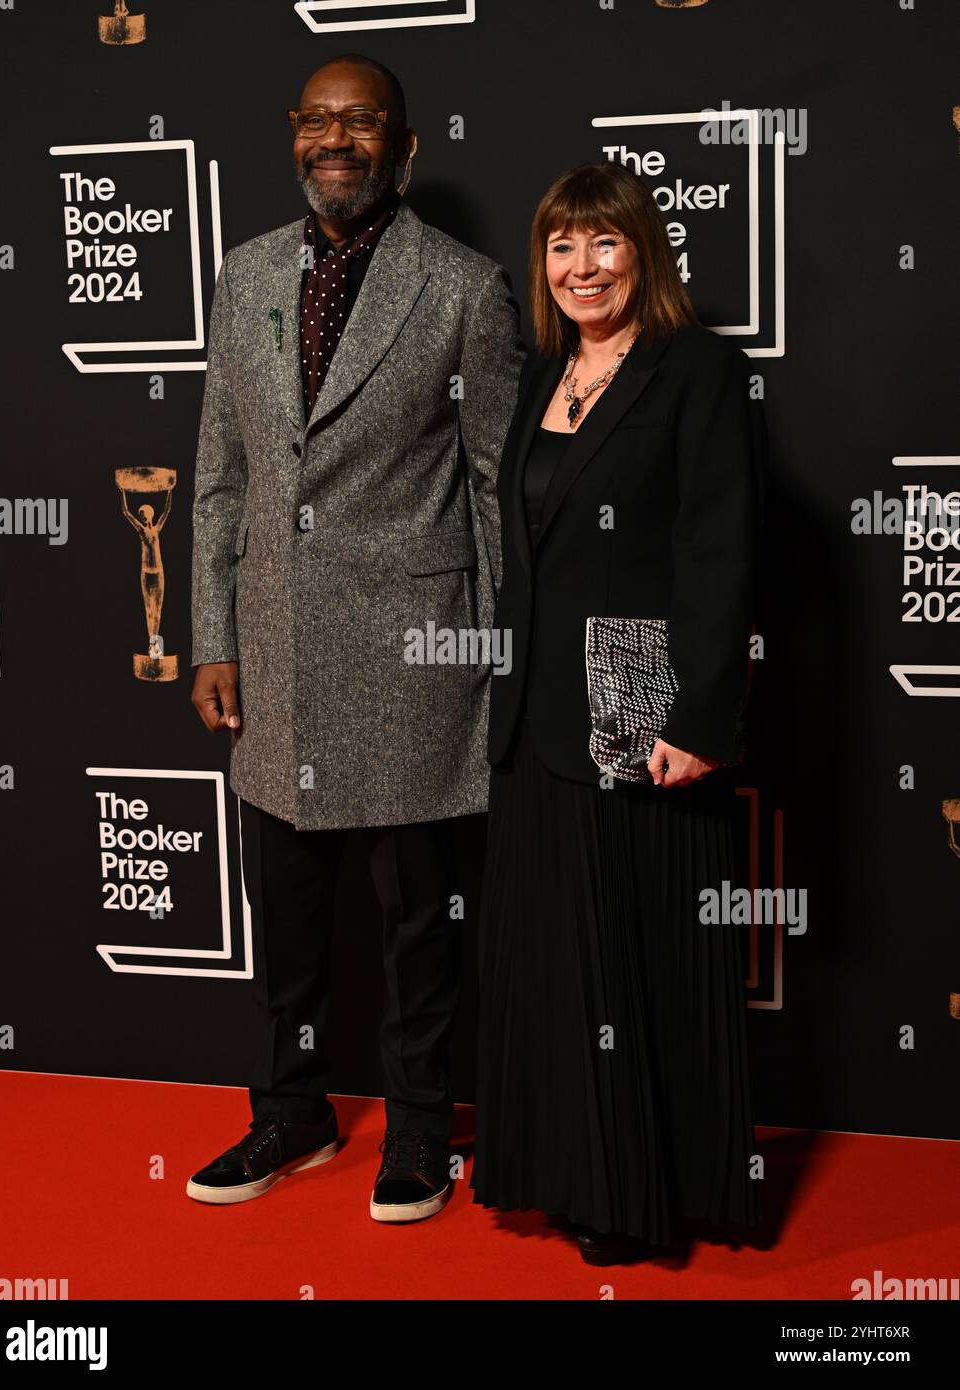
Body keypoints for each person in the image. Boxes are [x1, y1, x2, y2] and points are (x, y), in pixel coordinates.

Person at [186, 53, 523, 1221]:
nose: (337, 138)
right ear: (292, 135)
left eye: (361, 121)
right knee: (286, 921)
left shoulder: (466, 287)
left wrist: (495, 652)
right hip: (273, 650)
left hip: (414, 652)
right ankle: (291, 1110)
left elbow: (493, 488)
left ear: (404, 145)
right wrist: (210, 633)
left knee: (421, 919)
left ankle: (423, 1129)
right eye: (318, 119)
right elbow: (220, 476)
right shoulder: (242, 277)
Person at [469, 162, 764, 1263]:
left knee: (633, 957)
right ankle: (563, 1169)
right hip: (531, 713)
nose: (578, 267)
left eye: (601, 244)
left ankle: (639, 1193)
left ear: (642, 252)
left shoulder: (695, 370)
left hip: (637, 698)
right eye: (558, 246)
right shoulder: (545, 373)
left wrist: (696, 713)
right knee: (556, 959)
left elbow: (717, 548)